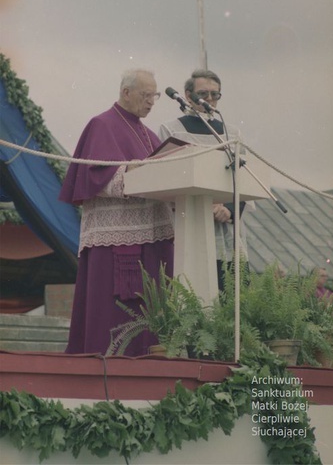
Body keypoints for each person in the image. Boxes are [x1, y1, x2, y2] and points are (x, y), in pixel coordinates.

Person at [59, 69, 174, 355]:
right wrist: (130, 171)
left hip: (150, 238)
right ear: (126, 92)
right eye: (147, 95)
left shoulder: (149, 135)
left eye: (155, 96)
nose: (151, 102)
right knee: (111, 315)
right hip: (117, 243)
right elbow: (93, 177)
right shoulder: (101, 125)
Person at [159, 68, 251, 291]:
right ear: (187, 95)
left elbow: (245, 178)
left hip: (226, 228)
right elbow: (166, 177)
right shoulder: (172, 130)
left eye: (215, 94)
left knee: (231, 297)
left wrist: (229, 209)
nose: (209, 99)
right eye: (203, 94)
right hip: (189, 221)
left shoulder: (231, 133)